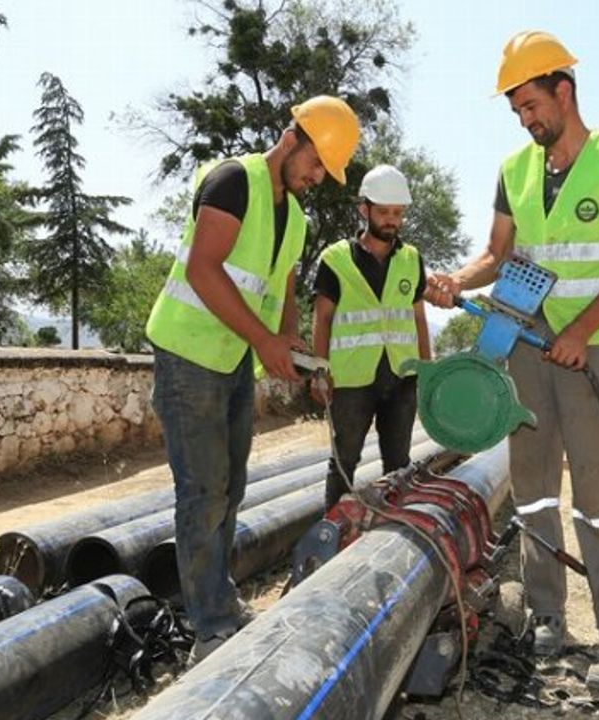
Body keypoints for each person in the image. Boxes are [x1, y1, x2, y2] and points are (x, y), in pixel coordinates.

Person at [424, 31, 599, 690]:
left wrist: (582, 330)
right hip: (523, 341)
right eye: (517, 111)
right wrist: (455, 281)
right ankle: (547, 613)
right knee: (531, 486)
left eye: (532, 104)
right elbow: (497, 255)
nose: (527, 120)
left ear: (564, 90)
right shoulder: (515, 171)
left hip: (596, 348)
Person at [144, 96, 361, 665]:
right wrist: (263, 341)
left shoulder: (294, 214)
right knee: (203, 491)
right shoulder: (232, 181)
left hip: (233, 357)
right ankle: (210, 624)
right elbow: (202, 269)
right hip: (188, 355)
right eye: (316, 163)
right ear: (293, 138)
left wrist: (291, 346)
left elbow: (280, 288)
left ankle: (218, 600)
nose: (317, 178)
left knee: (231, 487)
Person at [311, 164, 431, 507]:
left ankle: (392, 537)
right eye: (384, 212)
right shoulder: (335, 259)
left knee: (399, 465)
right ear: (364, 209)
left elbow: (418, 317)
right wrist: (320, 371)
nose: (391, 220)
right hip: (350, 380)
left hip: (401, 377)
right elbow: (323, 317)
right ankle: (333, 536)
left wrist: (428, 368)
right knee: (344, 464)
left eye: (398, 213)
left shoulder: (412, 259)